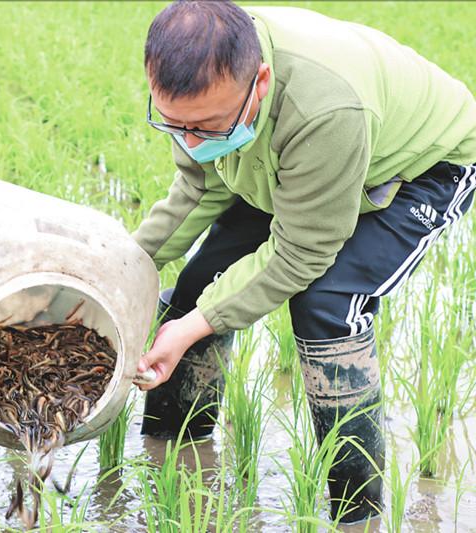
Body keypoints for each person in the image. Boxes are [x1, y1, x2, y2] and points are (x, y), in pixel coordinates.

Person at [133, 0, 476, 523]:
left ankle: (356, 509)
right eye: (177, 126)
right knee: (201, 281)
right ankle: (174, 448)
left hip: (422, 165)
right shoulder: (202, 82)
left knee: (327, 304)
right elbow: (197, 188)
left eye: (207, 126)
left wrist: (189, 329)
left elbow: (303, 250)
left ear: (261, 81)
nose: (192, 141)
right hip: (298, 160)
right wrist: (124, 265)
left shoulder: (326, 108)